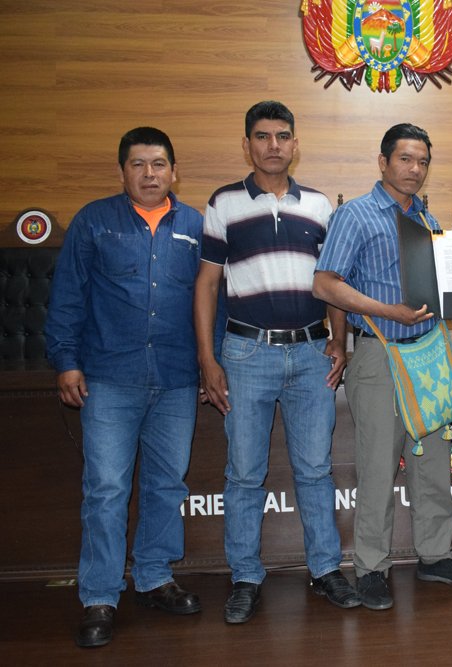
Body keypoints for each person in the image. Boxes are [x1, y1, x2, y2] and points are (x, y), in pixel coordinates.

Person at [194, 101, 357, 624]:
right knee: (245, 474)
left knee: (315, 470)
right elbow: (207, 285)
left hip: (311, 353)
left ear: (295, 144)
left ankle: (326, 569)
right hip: (246, 355)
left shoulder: (319, 205)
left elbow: (332, 283)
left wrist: (339, 341)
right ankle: (245, 576)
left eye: (282, 136)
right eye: (262, 137)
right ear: (247, 145)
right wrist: (207, 359)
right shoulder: (223, 203)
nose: (273, 145)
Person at [312, 123, 452, 611]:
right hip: (379, 354)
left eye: (423, 161)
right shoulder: (355, 215)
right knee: (377, 467)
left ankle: (435, 556)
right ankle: (371, 568)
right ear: (383, 162)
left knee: (432, 465)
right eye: (405, 159)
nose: (414, 169)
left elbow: (441, 287)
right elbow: (325, 284)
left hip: (428, 354)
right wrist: (385, 313)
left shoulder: (425, 217)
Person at [46, 127, 204, 647]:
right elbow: (68, 295)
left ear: (174, 172)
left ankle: (155, 577)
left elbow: (213, 302)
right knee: (107, 489)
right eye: (138, 164)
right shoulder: (94, 221)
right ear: (122, 172)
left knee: (167, 484)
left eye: (159, 164)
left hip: (177, 378)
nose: (149, 173)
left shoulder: (195, 226)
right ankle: (99, 595)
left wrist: (212, 365)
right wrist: (66, 361)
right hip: (110, 378)